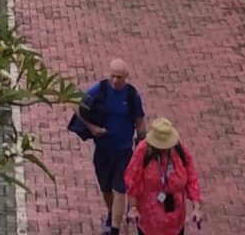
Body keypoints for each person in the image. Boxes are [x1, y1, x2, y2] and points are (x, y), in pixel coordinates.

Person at [74, 60, 146, 235]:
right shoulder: (100, 90)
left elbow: (140, 120)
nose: (115, 81)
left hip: (124, 151)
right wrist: (92, 128)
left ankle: (114, 228)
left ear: (126, 77)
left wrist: (142, 142)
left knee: (120, 188)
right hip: (103, 149)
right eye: (113, 76)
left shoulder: (131, 95)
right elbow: (77, 106)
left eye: (119, 77)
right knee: (106, 188)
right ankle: (112, 213)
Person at [123, 119, 201, 235]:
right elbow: (133, 180)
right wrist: (133, 208)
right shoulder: (143, 151)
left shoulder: (180, 151)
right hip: (149, 221)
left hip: (175, 220)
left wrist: (196, 207)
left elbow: (192, 177)